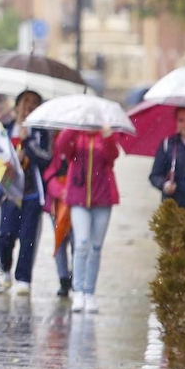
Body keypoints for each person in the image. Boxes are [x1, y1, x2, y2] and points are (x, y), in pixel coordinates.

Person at [48, 125, 121, 314]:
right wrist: (73, 128)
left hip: (102, 199)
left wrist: (108, 137)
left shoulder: (102, 136)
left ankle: (90, 292)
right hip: (79, 199)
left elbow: (112, 156)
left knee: (96, 247)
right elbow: (63, 146)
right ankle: (78, 290)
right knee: (81, 243)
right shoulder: (76, 136)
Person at [0, 90, 53, 295]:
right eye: (25, 103)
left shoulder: (40, 132)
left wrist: (28, 144)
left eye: (34, 103)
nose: (29, 107)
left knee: (28, 237)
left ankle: (24, 278)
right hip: (10, 191)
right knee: (6, 234)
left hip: (32, 192)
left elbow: (46, 159)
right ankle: (4, 266)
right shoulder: (5, 129)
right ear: (17, 105)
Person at [148, 107, 185, 208]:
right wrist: (164, 185)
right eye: (181, 120)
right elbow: (155, 175)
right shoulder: (168, 144)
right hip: (175, 205)